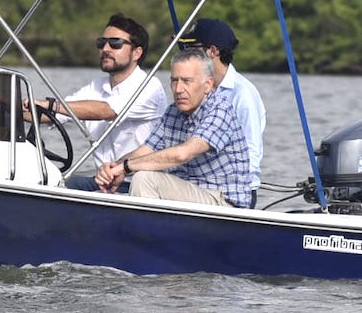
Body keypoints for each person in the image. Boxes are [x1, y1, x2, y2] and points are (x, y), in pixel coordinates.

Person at [94, 48, 251, 208]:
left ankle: (145, 232)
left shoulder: (220, 110)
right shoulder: (172, 111)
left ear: (208, 85)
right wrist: (115, 167)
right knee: (96, 193)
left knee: (144, 178)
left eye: (187, 81)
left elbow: (182, 154)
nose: (178, 89)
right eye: (174, 80)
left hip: (223, 201)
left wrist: (126, 168)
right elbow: (146, 150)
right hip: (188, 194)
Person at [29, 14, 167, 192]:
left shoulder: (149, 86)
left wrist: (50, 105)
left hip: (138, 183)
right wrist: (14, 106)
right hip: (102, 181)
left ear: (137, 53)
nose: (106, 49)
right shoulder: (96, 86)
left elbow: (106, 111)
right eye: (102, 43)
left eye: (115, 43)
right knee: (51, 185)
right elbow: (52, 115)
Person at [177, 18, 266, 207]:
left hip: (235, 194)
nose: (184, 55)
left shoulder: (243, 95)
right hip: (197, 185)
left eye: (191, 48)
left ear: (213, 51)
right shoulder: (194, 88)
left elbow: (251, 154)